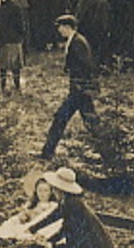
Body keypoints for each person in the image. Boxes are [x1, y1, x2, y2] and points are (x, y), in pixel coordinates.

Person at [27, 167, 115, 248]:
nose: (53, 191)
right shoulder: (68, 202)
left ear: (60, 190)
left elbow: (73, 241)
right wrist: (34, 229)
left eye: (54, 188)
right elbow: (54, 218)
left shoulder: (74, 206)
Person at [40, 15, 101, 161]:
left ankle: (47, 153)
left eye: (60, 27)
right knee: (90, 121)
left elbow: (87, 66)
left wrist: (82, 86)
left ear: (68, 27)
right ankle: (107, 150)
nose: (59, 30)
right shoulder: (75, 40)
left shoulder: (78, 42)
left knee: (61, 118)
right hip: (79, 89)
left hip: (79, 90)